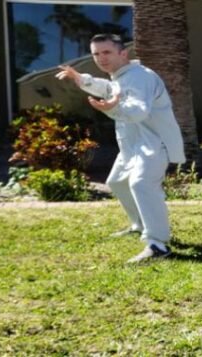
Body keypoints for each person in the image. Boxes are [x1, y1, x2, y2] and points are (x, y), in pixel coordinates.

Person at [55, 34, 185, 263]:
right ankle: (140, 224)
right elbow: (108, 87)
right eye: (96, 54)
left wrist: (112, 108)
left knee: (141, 183)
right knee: (117, 182)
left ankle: (158, 245)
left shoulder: (139, 77)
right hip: (133, 147)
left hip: (154, 144)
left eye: (107, 52)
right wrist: (81, 79)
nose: (101, 58)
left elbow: (138, 111)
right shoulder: (122, 76)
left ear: (123, 53)